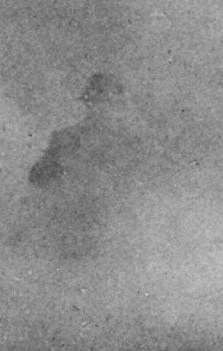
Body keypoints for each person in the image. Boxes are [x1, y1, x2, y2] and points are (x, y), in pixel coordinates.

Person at [27, 71, 147, 257]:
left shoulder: (132, 143)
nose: (105, 109)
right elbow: (37, 179)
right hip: (70, 228)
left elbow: (141, 191)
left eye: (112, 103)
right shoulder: (65, 139)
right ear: (88, 103)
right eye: (99, 102)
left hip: (117, 235)